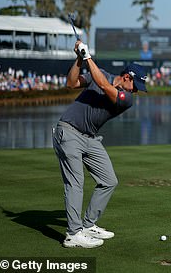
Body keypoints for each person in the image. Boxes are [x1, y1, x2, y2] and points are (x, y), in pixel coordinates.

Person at [52, 40, 147, 248]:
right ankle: (73, 234)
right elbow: (71, 83)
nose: (137, 91)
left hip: (90, 139)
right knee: (75, 184)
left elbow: (104, 84)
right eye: (136, 85)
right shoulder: (100, 73)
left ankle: (87, 225)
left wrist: (87, 57)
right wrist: (79, 58)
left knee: (109, 180)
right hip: (68, 132)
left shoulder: (126, 99)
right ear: (127, 77)